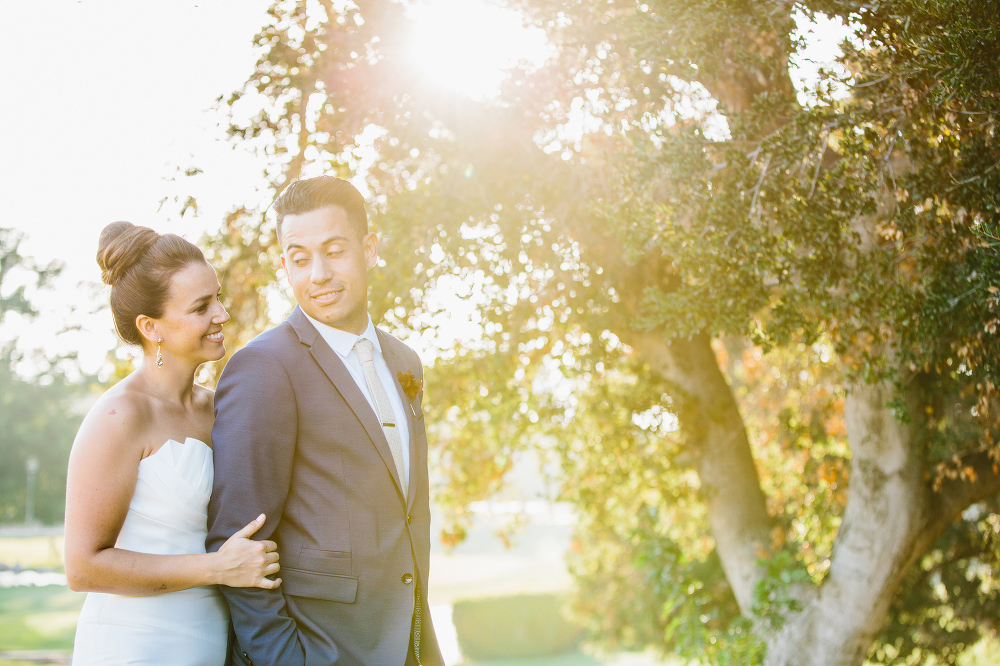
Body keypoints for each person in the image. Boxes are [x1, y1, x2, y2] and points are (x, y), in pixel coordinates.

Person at [207, 176, 443, 665]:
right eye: (299, 258)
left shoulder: (405, 361)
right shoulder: (263, 369)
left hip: (410, 645)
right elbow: (238, 542)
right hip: (322, 650)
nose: (317, 274)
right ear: (284, 264)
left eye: (334, 251)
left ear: (369, 248)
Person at [65, 221, 281, 666]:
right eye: (202, 306)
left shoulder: (221, 408)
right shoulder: (119, 417)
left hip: (210, 640)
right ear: (151, 326)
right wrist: (218, 568)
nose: (221, 313)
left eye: (217, 297)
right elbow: (82, 567)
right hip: (134, 644)